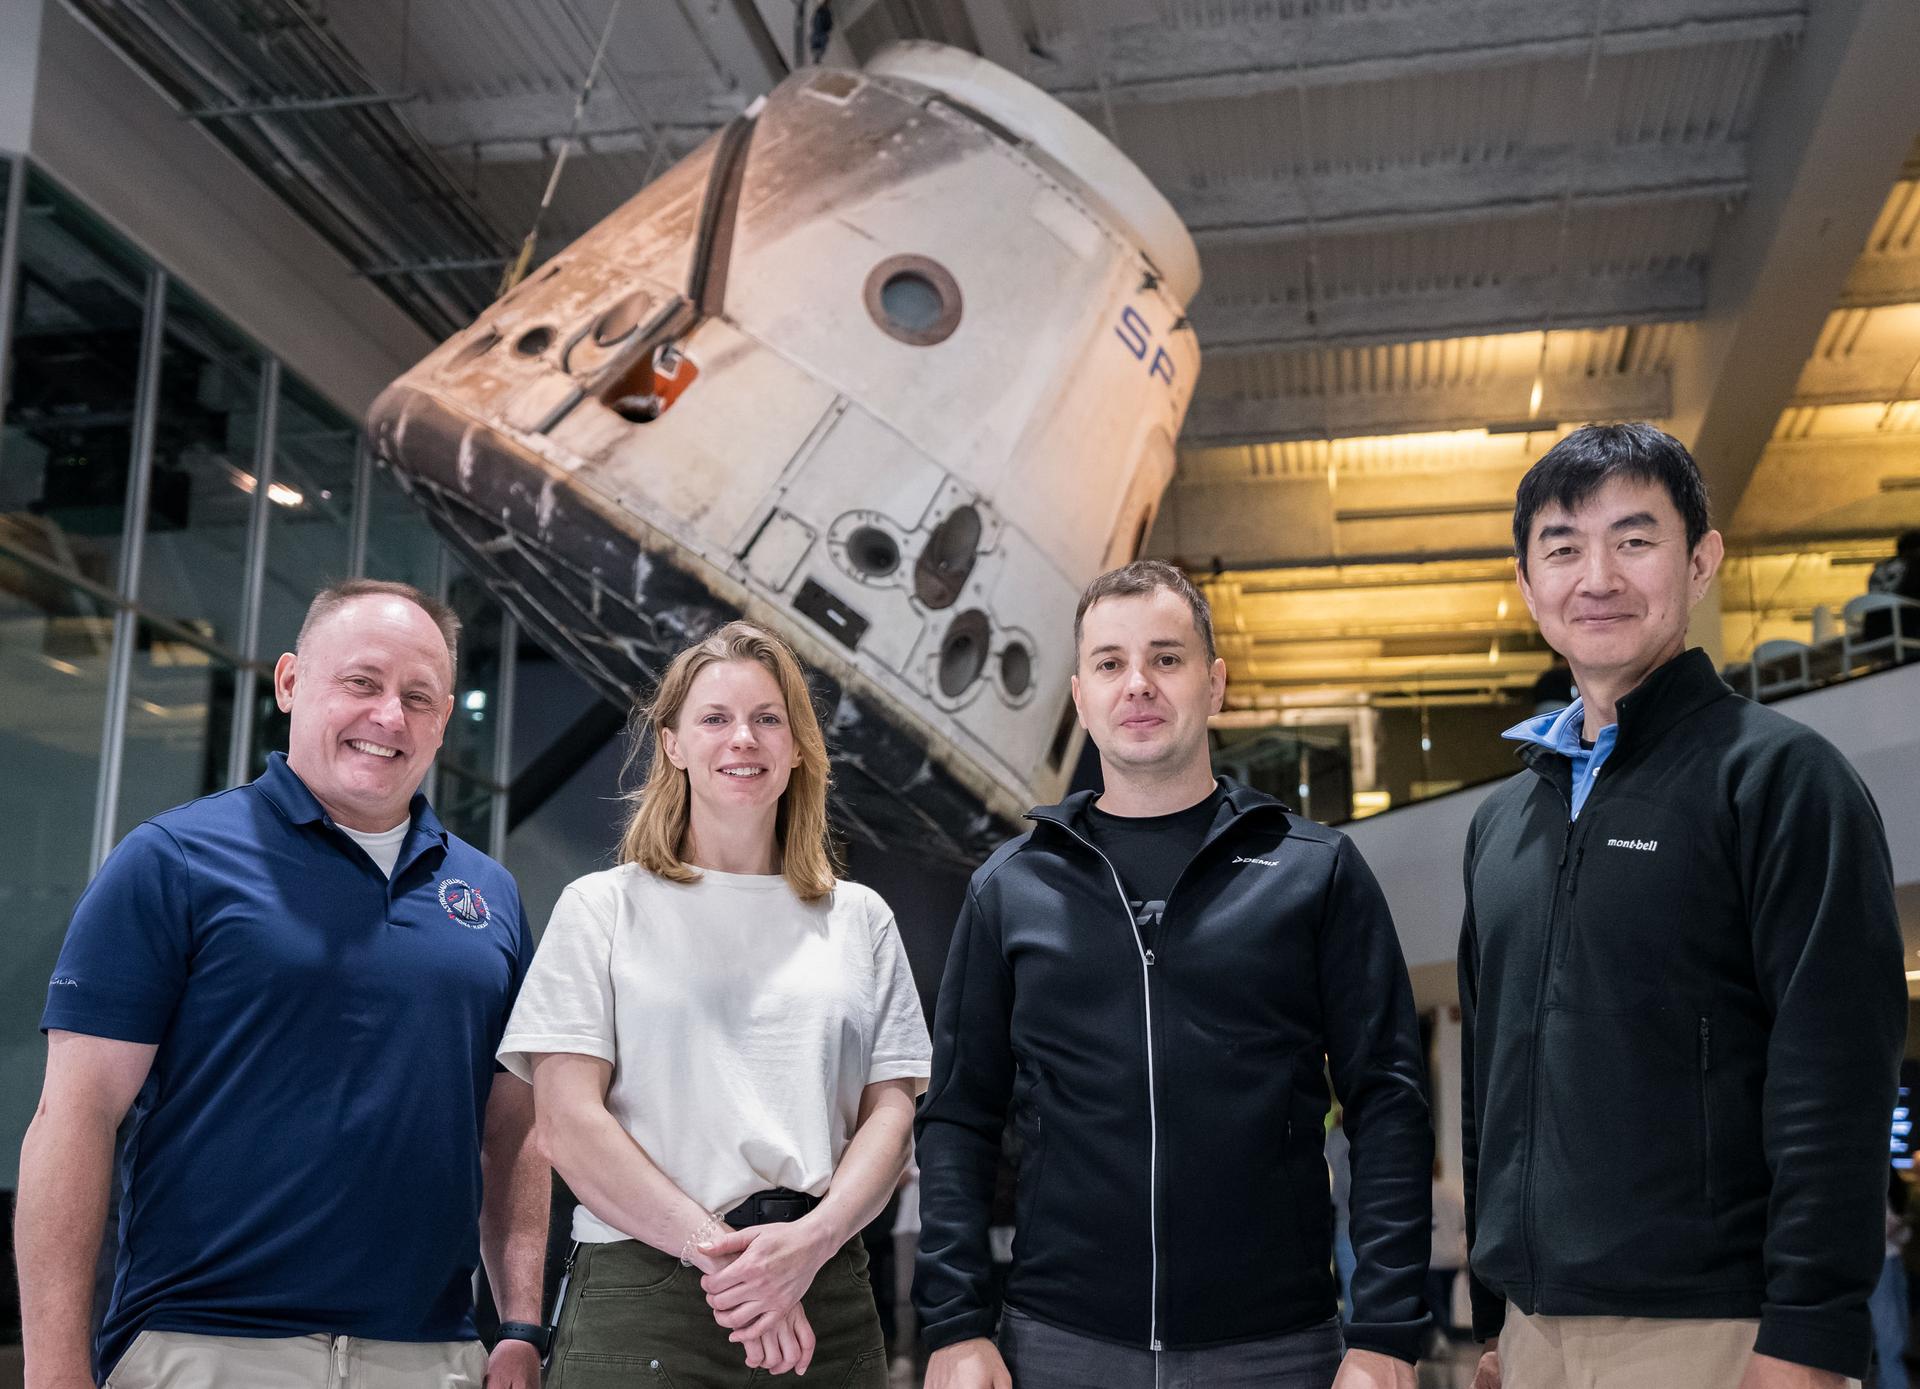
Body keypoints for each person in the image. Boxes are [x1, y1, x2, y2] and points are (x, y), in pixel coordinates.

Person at [1458, 424, 1906, 1389]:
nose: (1599, 576)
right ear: (1529, 584)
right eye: (1564, 548)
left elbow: (1834, 1073)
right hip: (1534, 1338)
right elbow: (1492, 1076)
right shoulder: (1502, 822)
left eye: (1635, 538)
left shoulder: (1782, 780)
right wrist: (1497, 1317)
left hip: (1717, 1336)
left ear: (1702, 561)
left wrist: (1811, 1338)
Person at [16, 579, 549, 1389]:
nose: (388, 717)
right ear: (292, 681)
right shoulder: (174, 861)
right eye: (361, 683)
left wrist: (517, 1325)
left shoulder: (490, 896)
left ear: (444, 720)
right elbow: (74, 1114)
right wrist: (54, 1370)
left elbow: (513, 1131)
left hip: (432, 1355)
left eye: (418, 697)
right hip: (204, 1346)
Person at [915, 559, 1434, 1389]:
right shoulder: (1012, 889)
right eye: (1112, 663)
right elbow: (957, 1118)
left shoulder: (1315, 873)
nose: (1139, 685)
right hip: (1060, 1344)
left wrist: (1385, 1333)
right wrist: (953, 1324)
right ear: (1080, 697)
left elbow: (1389, 1104)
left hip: (1276, 1348)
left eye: (1167, 657)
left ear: (1215, 681)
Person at [498, 620, 931, 1387]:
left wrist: (807, 1246)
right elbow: (567, 1124)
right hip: (649, 1290)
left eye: (769, 718)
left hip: (822, 1288)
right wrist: (731, 1262)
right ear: (672, 743)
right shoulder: (602, 907)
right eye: (715, 718)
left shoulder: (860, 917)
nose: (744, 738)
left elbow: (892, 1117)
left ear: (798, 747)